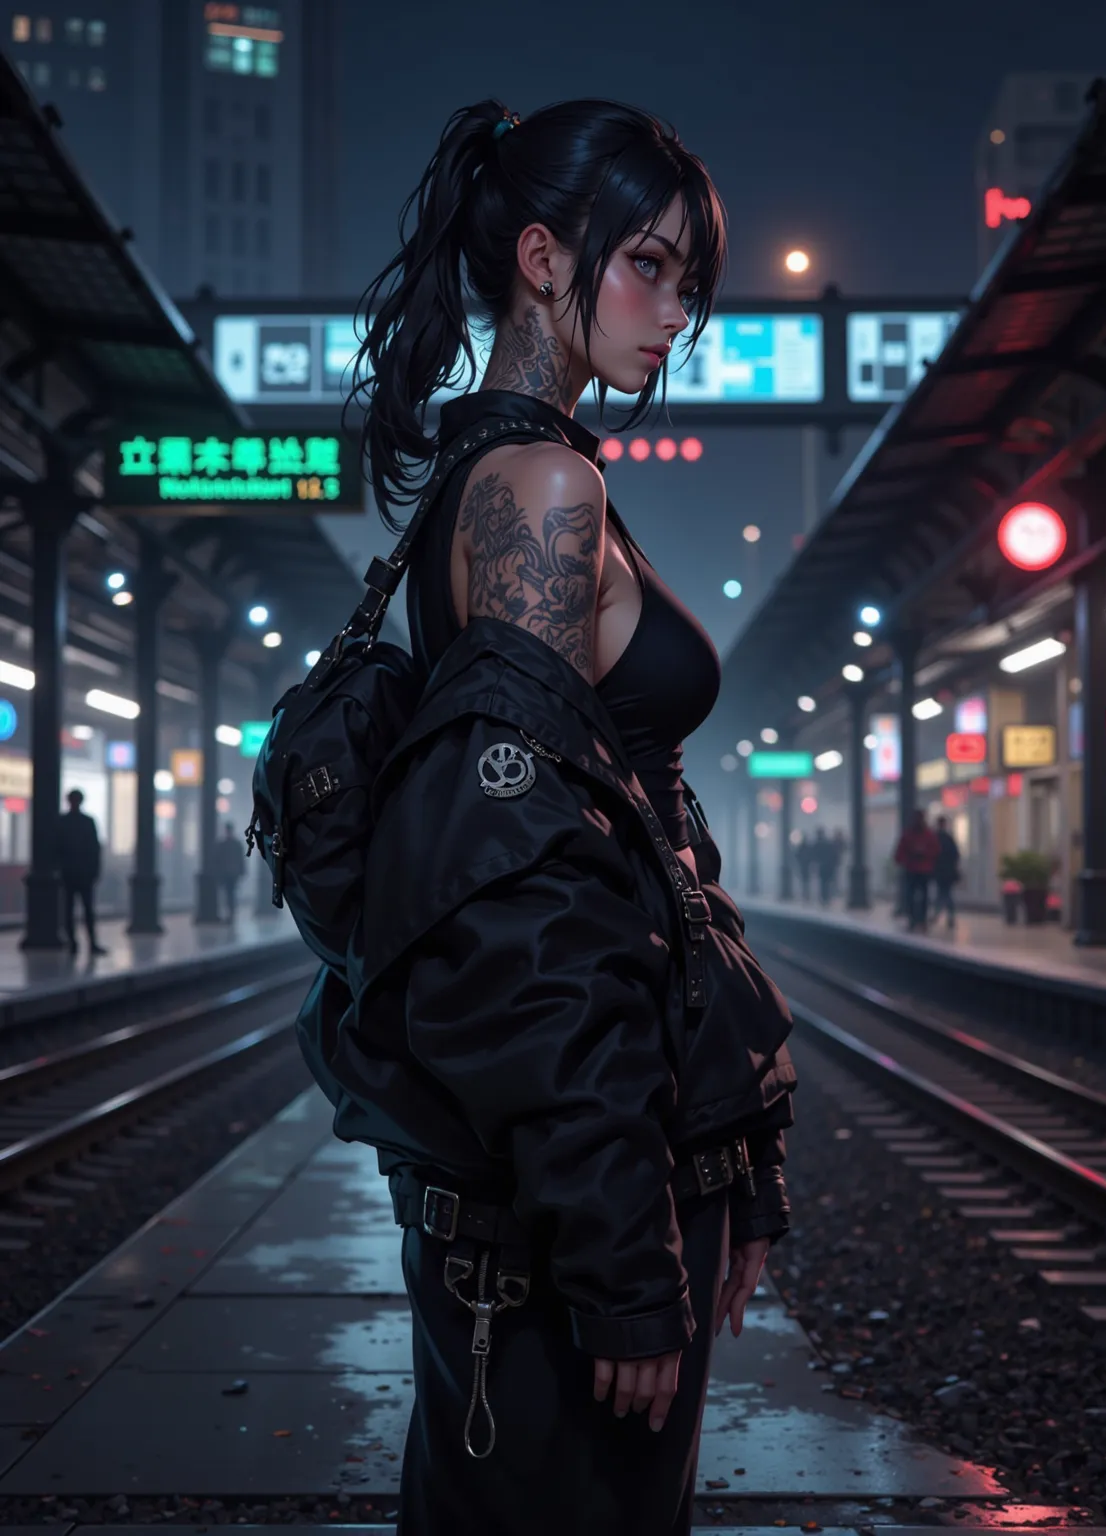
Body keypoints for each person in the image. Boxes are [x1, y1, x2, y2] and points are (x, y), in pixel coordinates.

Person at [339, 100, 797, 1535]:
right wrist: (621, 1270)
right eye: (648, 268)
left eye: (693, 285)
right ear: (542, 256)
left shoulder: (529, 476)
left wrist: (730, 1156)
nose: (678, 314)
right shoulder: (538, 492)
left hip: (582, 1201)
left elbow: (620, 855)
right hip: (559, 1243)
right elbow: (525, 920)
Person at [57, 789, 107, 957]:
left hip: (69, 873)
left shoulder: (62, 822)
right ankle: (91, 943)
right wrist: (95, 870)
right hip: (84, 874)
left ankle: (73, 943)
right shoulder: (88, 822)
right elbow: (95, 849)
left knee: (69, 910)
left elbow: (56, 849)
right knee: (87, 910)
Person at [894, 808, 939, 933]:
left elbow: (935, 851)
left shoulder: (925, 835)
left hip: (920, 869)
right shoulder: (915, 835)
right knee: (914, 895)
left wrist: (921, 854)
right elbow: (899, 853)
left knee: (917, 895)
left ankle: (918, 920)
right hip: (916, 869)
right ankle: (916, 920)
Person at [932, 815, 961, 929]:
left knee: (943, 893)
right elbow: (956, 855)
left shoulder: (936, 837)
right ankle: (947, 916)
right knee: (945, 893)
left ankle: (938, 914)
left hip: (940, 871)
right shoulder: (948, 838)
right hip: (947, 871)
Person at [213, 822, 246, 922]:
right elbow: (241, 860)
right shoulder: (236, 844)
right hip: (232, 873)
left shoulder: (223, 844)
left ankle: (230, 912)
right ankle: (231, 912)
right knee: (230, 893)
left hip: (228, 873)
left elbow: (218, 859)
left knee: (229, 893)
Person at [813, 827, 835, 906]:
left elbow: (814, 856)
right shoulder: (828, 843)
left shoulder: (817, 844)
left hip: (822, 866)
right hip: (827, 866)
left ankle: (823, 898)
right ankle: (826, 898)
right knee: (826, 883)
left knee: (823, 883)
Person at [795, 832, 814, 900]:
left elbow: (797, 855)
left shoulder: (801, 847)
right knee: (806, 880)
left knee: (804, 881)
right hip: (806, 865)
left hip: (804, 865)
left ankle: (805, 894)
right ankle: (806, 894)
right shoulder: (808, 847)